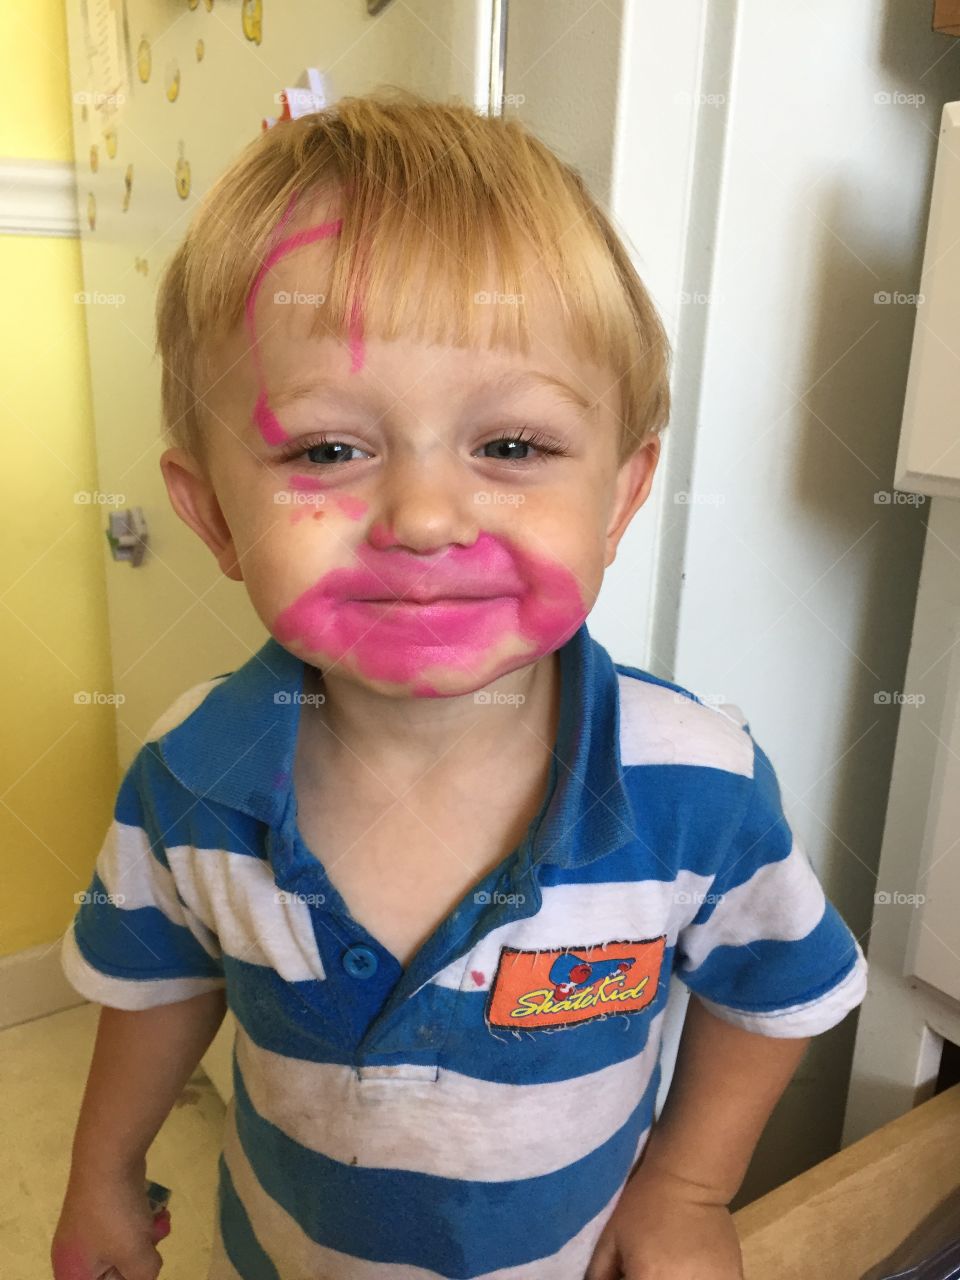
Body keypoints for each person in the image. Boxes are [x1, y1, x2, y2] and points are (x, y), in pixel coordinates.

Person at [52, 88, 868, 1280]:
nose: (426, 517)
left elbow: (779, 982)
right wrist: (101, 1176)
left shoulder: (695, 782)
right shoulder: (191, 776)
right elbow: (157, 983)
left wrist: (690, 1187)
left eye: (512, 446)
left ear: (624, 495)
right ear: (214, 514)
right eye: (329, 449)